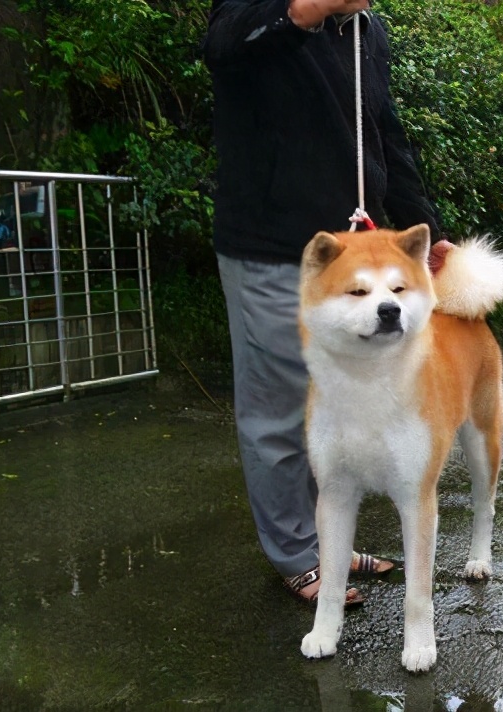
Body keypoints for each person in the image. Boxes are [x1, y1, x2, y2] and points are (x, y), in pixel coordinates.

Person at [203, 0, 440, 605]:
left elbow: (385, 136)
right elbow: (227, 45)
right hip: (269, 249)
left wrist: (424, 232)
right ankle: (296, 555)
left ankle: (324, 544)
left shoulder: (366, 32)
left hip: (349, 263)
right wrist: (308, 8)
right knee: (277, 414)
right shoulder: (263, 11)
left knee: (334, 408)